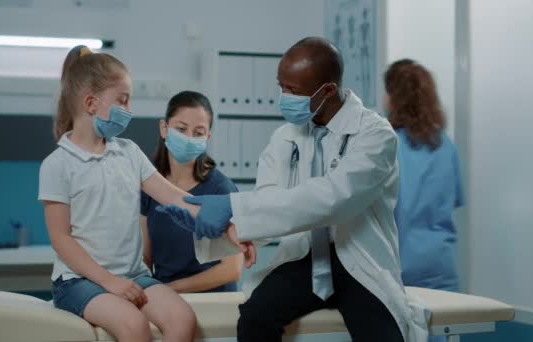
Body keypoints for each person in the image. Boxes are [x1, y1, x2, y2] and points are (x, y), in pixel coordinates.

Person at [158, 37, 428, 341]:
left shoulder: (375, 135)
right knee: (254, 319)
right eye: (281, 86)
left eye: (293, 91)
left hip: (358, 259)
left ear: (327, 90)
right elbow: (272, 207)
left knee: (383, 335)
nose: (283, 97)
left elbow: (333, 198)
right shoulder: (285, 138)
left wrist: (234, 206)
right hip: (305, 259)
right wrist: (226, 228)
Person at [38, 46, 198, 342]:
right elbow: (61, 239)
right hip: (79, 281)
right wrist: (109, 281)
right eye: (122, 100)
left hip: (134, 276)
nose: (129, 109)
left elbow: (174, 197)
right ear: (90, 103)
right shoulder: (57, 164)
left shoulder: (129, 152)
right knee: (133, 326)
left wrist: (227, 219)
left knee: (183, 319)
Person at [384, 59, 464, 342]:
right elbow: (452, 200)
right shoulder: (446, 146)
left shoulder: (387, 147)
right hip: (440, 267)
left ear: (394, 97)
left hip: (398, 267)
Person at [140, 91, 242, 293]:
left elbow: (232, 269)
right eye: (181, 129)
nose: (188, 138)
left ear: (207, 137)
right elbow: (146, 257)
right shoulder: (150, 184)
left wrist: (171, 289)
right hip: (164, 296)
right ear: (164, 128)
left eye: (198, 132)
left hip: (212, 301)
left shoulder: (221, 189)